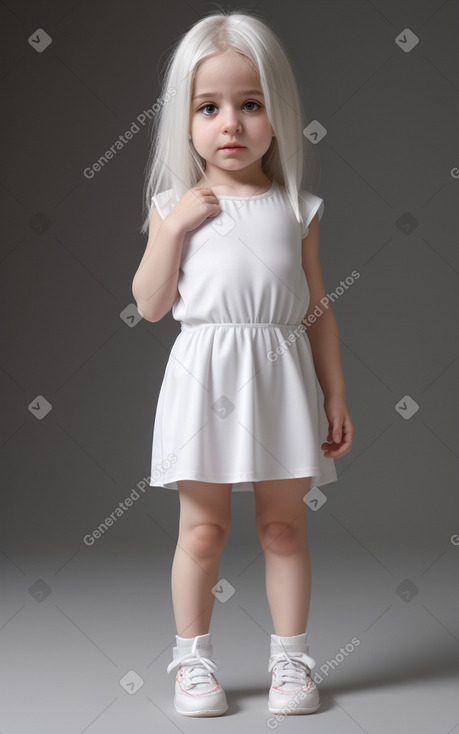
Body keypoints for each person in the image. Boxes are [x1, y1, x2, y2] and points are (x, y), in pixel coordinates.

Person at [132, 8, 354, 718]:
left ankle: (290, 658)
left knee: (283, 527)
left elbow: (317, 309)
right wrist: (174, 230)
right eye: (210, 107)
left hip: (280, 376)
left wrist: (335, 395)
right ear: (186, 120)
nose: (230, 123)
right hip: (205, 380)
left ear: (276, 113)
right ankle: (190, 659)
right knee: (202, 530)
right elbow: (150, 303)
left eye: (249, 104)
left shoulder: (297, 207)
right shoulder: (175, 204)